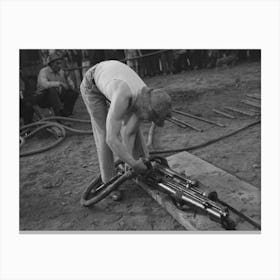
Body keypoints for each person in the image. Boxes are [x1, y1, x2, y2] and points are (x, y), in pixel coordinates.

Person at [80, 60, 172, 200]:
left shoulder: (147, 97)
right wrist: (133, 163)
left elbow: (129, 132)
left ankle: (137, 166)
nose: (147, 120)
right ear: (146, 108)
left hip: (113, 77)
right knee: (105, 132)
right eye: (150, 118)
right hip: (92, 85)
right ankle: (109, 183)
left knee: (134, 129)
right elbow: (112, 138)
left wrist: (132, 163)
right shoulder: (123, 96)